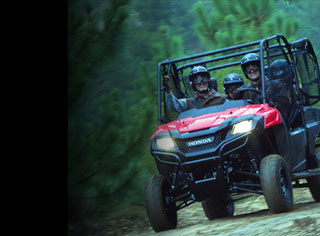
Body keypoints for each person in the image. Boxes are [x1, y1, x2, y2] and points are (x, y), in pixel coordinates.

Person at [237, 53, 291, 123]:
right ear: (245, 72)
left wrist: (270, 104)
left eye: (254, 67)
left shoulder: (275, 85)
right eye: (248, 69)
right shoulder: (243, 91)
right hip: (252, 125)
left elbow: (285, 107)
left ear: (260, 67)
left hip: (273, 122)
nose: (252, 71)